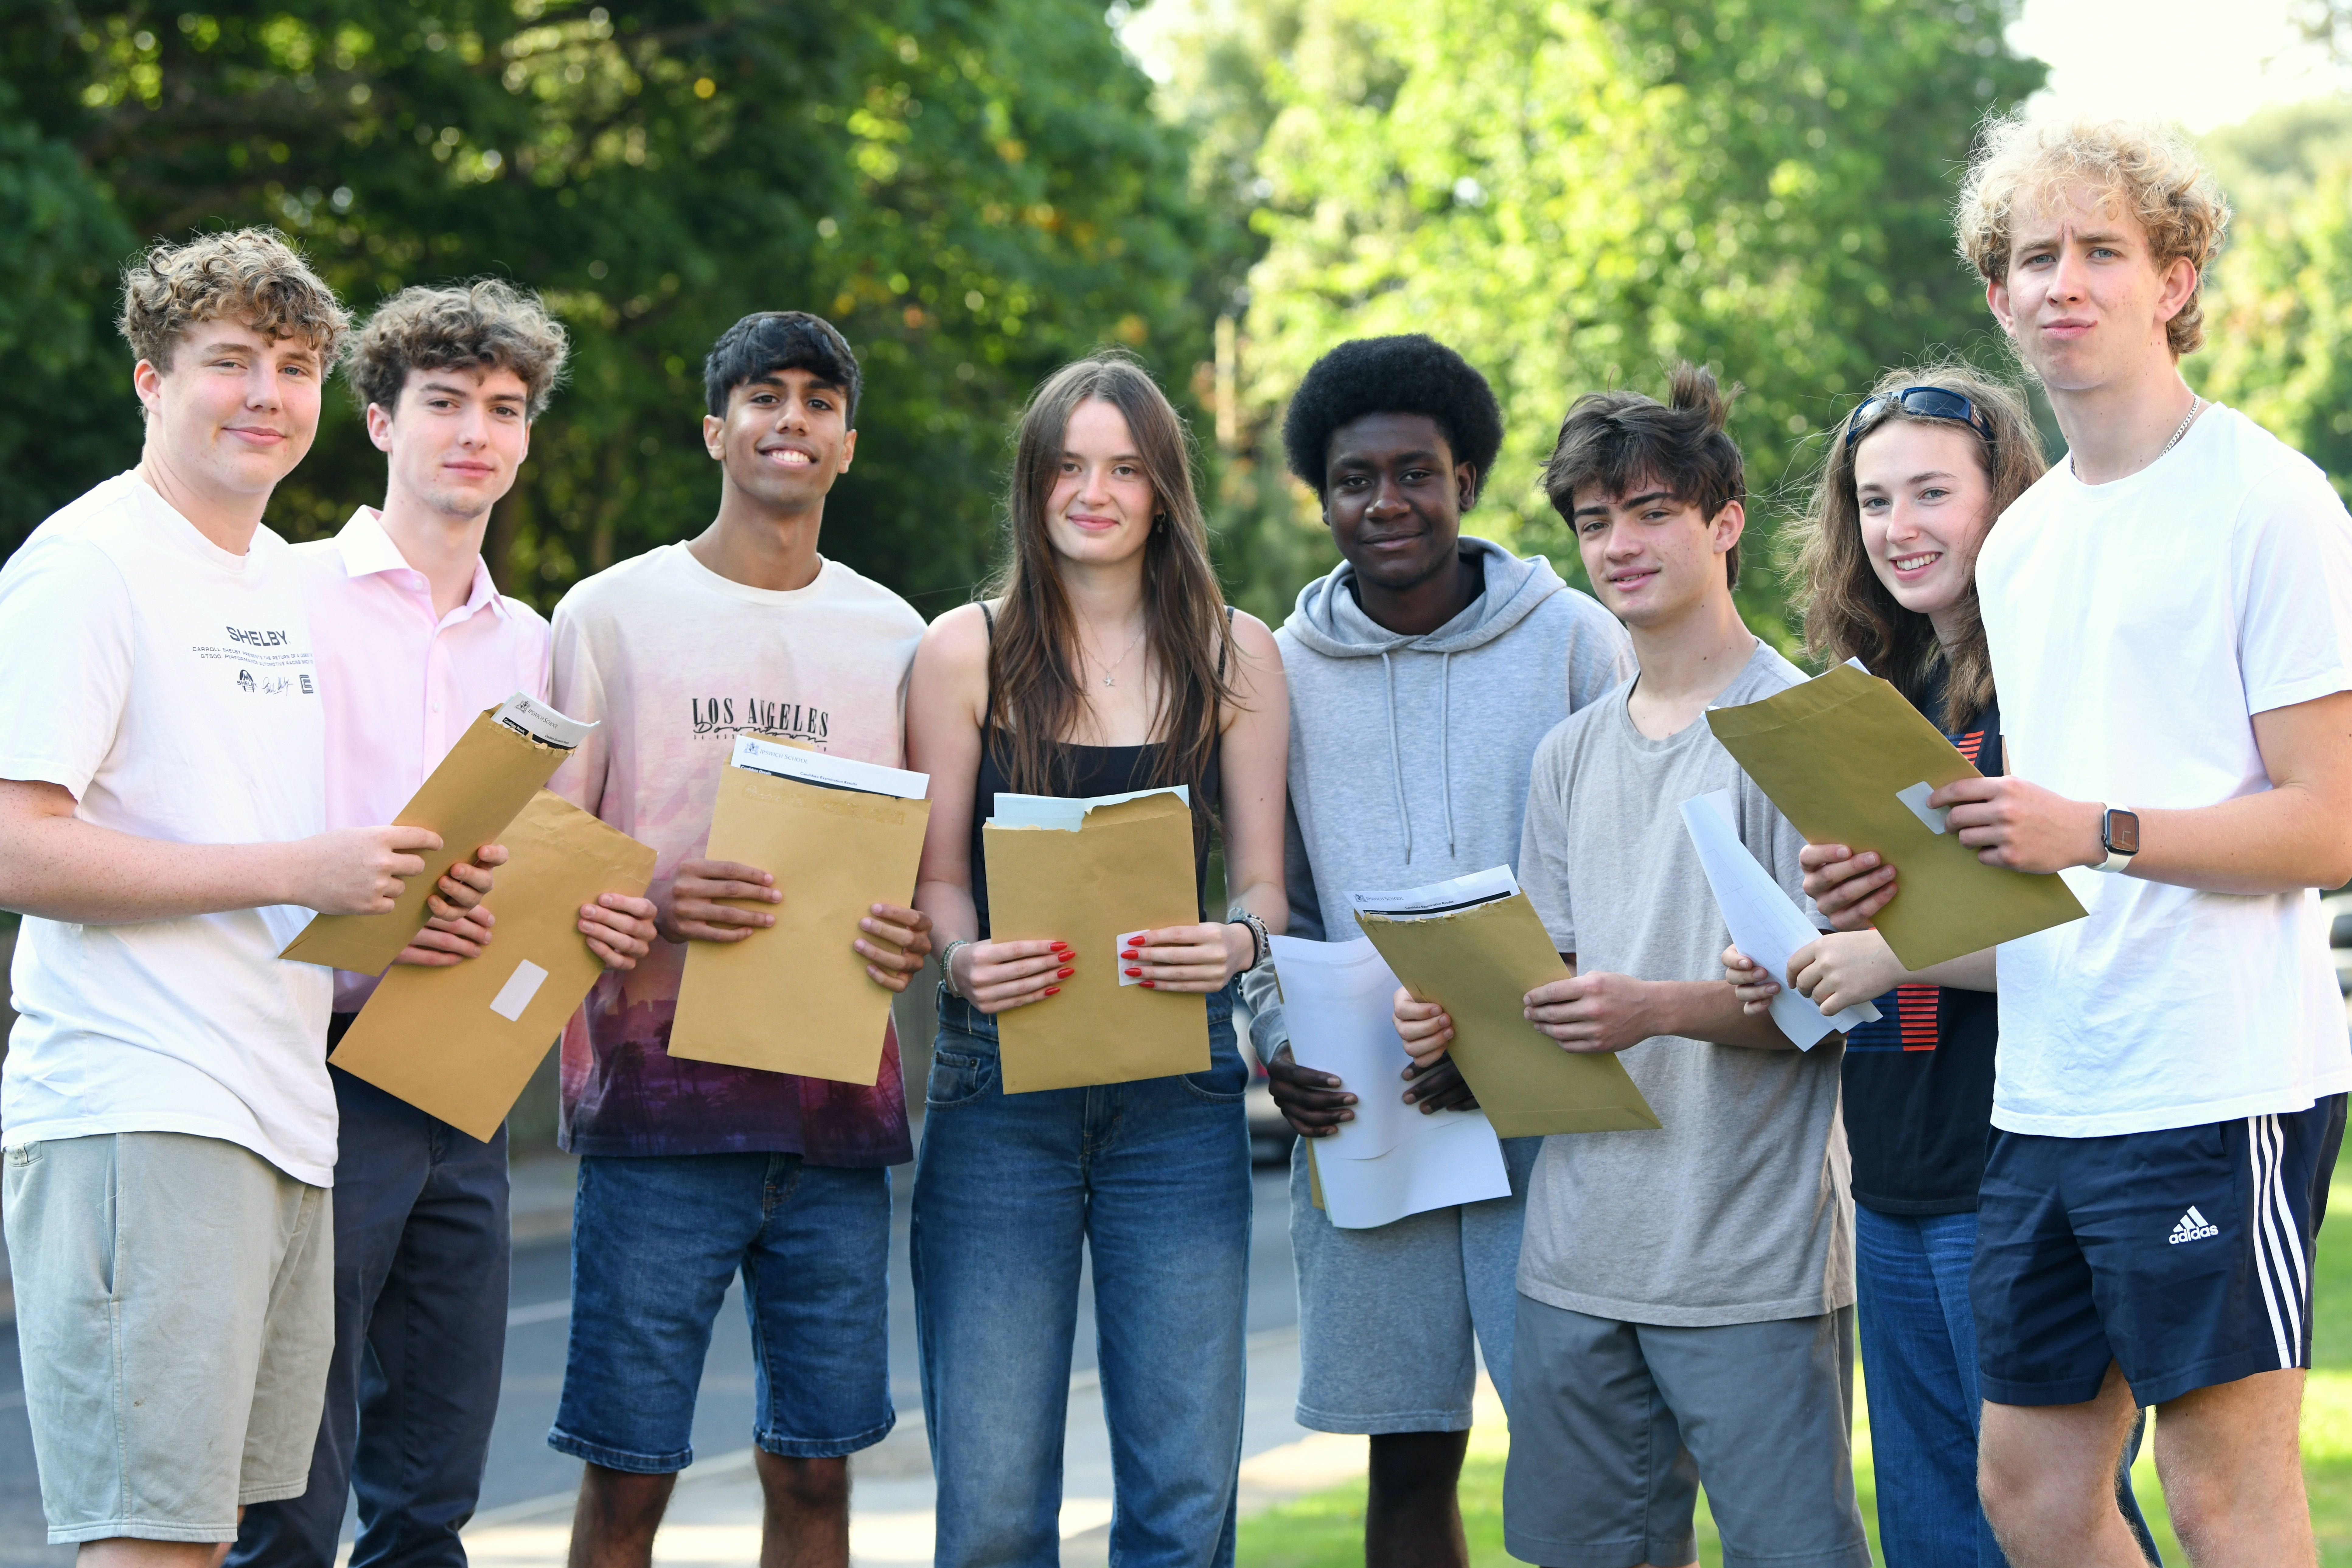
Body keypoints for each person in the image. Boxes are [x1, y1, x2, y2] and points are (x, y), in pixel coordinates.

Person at [1800, 113, 2352, 1567]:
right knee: (2032, 1501)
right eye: (2032, 257)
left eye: (2101, 250)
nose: (2062, 282)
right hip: (2046, 1091)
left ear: (2174, 275)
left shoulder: (2269, 501)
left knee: (2225, 1500)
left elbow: (2331, 823)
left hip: (2215, 1075)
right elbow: (2036, 875)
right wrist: (1898, 892)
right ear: (1996, 296)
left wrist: (2092, 830)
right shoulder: (2025, 546)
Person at [0, 230, 488, 1563]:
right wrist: (294, 870)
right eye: (229, 360)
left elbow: (256, 837)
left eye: (294, 364)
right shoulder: (87, 564)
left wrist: (390, 898)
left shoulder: (280, 578)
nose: (265, 392)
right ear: (151, 381)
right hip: (140, 1107)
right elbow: (16, 845)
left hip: (284, 1113)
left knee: (218, 1536)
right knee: (148, 1542)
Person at [1396, 365, 1871, 1568]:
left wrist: (1658, 1005)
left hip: (1750, 1260)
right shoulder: (1566, 754)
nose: (1617, 544)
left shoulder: (1801, 730)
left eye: (1650, 511)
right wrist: (1454, 1016)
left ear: (1722, 523)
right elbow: (1550, 990)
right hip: (1575, 1254)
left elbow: (1837, 1010)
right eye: (1594, 521)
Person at [230, 280, 661, 1568]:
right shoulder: (278, 598)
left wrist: (600, 919)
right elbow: (223, 824)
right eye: (446, 402)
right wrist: (355, 910)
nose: (478, 430)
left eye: (506, 408)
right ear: (377, 420)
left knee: (434, 1487)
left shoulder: (534, 644)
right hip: (307, 1063)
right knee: (288, 1488)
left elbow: (546, 860)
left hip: (468, 1078)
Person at [1724, 363, 2159, 1568]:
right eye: (1873, 501)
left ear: (2003, 496)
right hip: (1896, 1165)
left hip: (2025, 1161)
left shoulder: (2059, 678)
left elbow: (2095, 927)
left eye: (1930, 493)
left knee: (2055, 1521)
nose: (1899, 528)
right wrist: (1805, 947)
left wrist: (1884, 946)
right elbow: (1900, 918)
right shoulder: (1876, 690)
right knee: (1930, 1530)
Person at [544, 310, 935, 1568]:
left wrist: (913, 930)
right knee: (627, 1478)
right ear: (716, 428)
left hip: (836, 1108)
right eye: (763, 395)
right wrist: (654, 900)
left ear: (848, 443)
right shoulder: (608, 613)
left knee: (818, 1473)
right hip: (654, 1106)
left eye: (819, 400)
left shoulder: (901, 637)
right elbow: (545, 869)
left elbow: (925, 883)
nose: (791, 419)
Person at [1245, 334, 1630, 1567]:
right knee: (1405, 1458)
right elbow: (1267, 895)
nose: (1386, 502)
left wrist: (1513, 1042)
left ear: (1465, 476)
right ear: (1324, 495)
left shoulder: (1572, 635)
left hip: (1549, 1107)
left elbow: (1628, 865)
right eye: (1357, 479)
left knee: (1588, 1456)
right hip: (1370, 1109)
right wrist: (1273, 1043)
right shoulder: (1278, 669)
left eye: (1416, 471)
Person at [903, 352, 1288, 1568]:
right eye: (1069, 465)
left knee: (1183, 1498)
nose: (1095, 490)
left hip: (1176, 1091)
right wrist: (961, 962)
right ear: (1033, 483)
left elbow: (1268, 890)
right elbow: (934, 884)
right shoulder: (961, 649)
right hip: (995, 1087)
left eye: (1125, 468)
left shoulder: (1239, 655)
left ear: (1165, 490)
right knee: (994, 1505)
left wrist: (1233, 940)